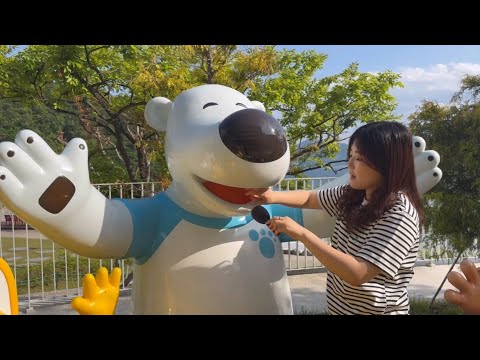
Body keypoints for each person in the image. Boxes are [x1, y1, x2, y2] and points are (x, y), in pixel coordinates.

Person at [246, 121, 424, 315]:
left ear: (387, 164)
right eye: (351, 156)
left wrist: (302, 234)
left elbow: (357, 273)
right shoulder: (355, 194)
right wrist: (272, 196)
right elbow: (310, 198)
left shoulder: (399, 214)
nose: (349, 164)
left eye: (360, 159)